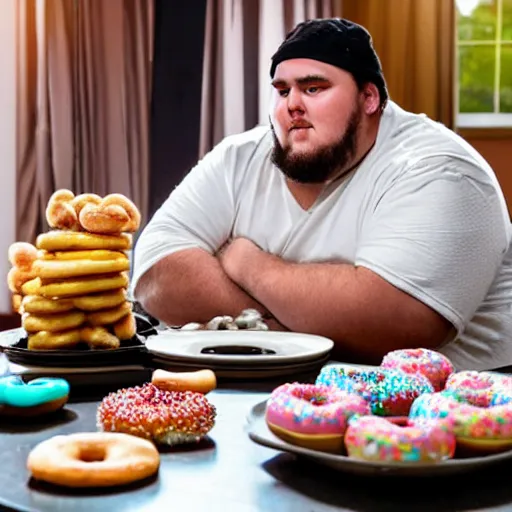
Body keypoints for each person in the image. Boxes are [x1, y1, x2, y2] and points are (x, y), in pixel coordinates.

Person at [132, 18, 512, 371]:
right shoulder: (239, 157)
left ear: (369, 99)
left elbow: (398, 326)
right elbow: (155, 272)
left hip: (463, 406)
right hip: (291, 389)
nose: (292, 105)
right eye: (282, 91)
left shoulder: (440, 168)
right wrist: (287, 327)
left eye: (313, 88)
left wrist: (245, 261)